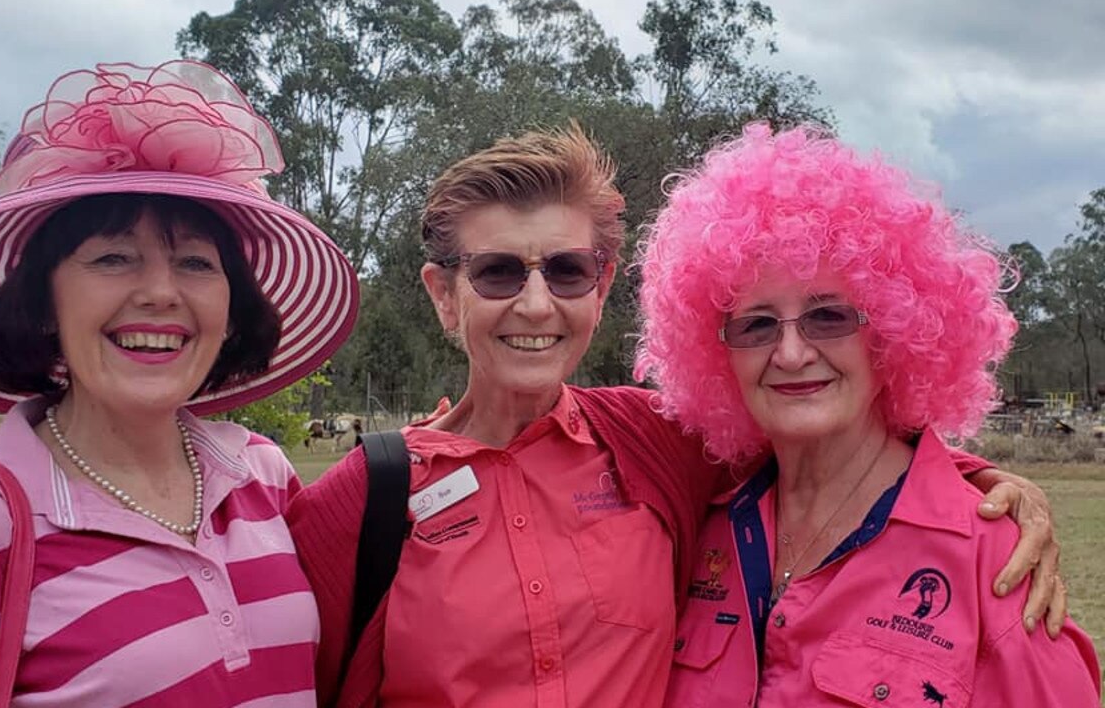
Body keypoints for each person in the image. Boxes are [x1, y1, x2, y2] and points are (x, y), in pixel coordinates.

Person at [286, 125, 1068, 708]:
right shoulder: (358, 505)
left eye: (565, 269)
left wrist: (982, 487)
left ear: (601, 284)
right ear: (440, 295)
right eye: (496, 272)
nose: (535, 303)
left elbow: (823, 442)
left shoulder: (655, 444)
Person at [0, 61, 358, 707]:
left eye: (195, 262)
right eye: (112, 257)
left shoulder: (263, 478)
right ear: (45, 302)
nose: (161, 292)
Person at [634, 123, 1100, 706]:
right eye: (756, 324)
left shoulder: (995, 561)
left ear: (893, 335)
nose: (792, 352)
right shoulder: (698, 526)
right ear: (716, 352)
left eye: (828, 316)